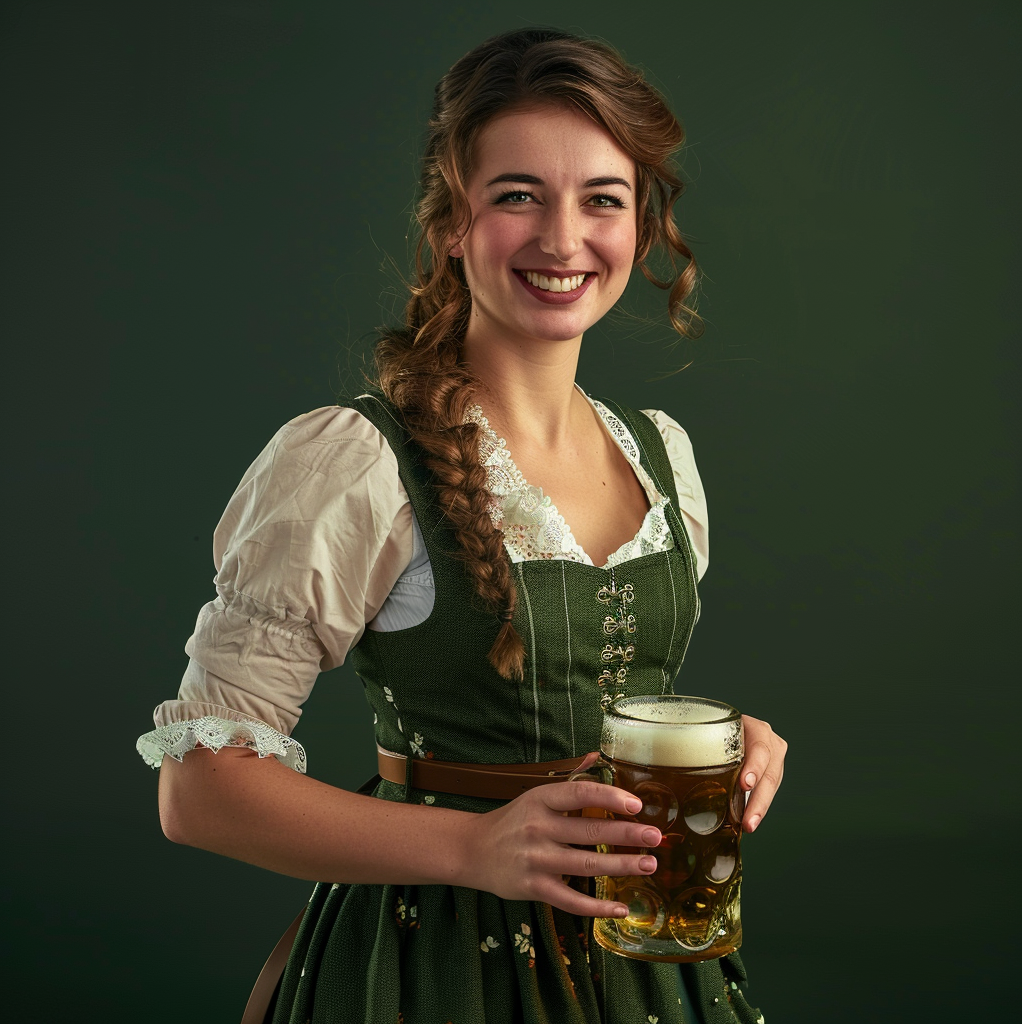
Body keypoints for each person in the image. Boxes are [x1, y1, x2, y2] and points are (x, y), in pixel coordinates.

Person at [137, 27, 787, 1024]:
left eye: (601, 199)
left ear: (641, 226)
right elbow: (201, 792)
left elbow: (608, 713)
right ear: (451, 222)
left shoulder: (661, 456)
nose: (563, 240)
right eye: (517, 195)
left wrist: (725, 747)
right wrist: (475, 848)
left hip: (649, 963)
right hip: (428, 968)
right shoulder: (352, 461)